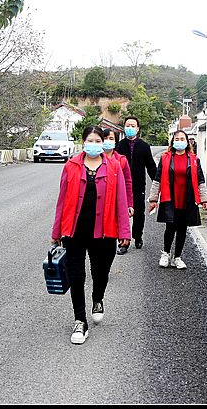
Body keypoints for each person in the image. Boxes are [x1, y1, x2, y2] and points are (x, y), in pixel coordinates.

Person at [51, 126, 131, 345]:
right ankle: (80, 320)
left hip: (105, 231)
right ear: (83, 142)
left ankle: (98, 298)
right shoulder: (71, 166)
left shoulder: (114, 166)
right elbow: (61, 200)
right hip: (75, 230)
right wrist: (56, 231)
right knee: (76, 275)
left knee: (100, 272)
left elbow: (121, 201)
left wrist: (124, 231)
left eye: (98, 141)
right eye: (90, 141)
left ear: (103, 143)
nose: (94, 145)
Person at [147, 129, 207, 269]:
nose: (179, 141)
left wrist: (204, 199)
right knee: (170, 227)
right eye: (177, 139)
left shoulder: (194, 159)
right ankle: (166, 253)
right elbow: (157, 179)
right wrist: (153, 199)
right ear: (172, 141)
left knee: (182, 228)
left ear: (187, 142)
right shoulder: (165, 158)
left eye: (182, 139)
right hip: (170, 198)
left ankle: (177, 257)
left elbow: (200, 180)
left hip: (187, 199)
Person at [114, 116, 158, 252]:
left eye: (133, 126)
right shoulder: (119, 146)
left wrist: (159, 183)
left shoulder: (144, 146)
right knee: (122, 213)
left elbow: (151, 167)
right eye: (128, 125)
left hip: (138, 186)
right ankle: (123, 242)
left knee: (139, 213)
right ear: (124, 127)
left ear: (138, 129)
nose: (130, 128)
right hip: (121, 186)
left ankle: (138, 237)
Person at [100, 128, 134, 255]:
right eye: (105, 138)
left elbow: (128, 183)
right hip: (101, 201)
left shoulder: (121, 160)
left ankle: (122, 242)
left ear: (115, 142)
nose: (107, 141)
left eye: (111, 138)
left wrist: (129, 204)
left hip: (117, 201)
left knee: (116, 224)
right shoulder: (94, 159)